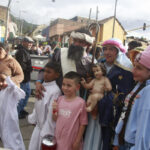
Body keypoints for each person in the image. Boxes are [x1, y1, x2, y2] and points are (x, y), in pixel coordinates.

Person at [35, 28, 95, 99]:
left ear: (87, 44)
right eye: (75, 40)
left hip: (78, 100)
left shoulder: (91, 62)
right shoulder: (60, 53)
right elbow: (46, 69)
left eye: (81, 42)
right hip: (56, 97)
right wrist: (38, 82)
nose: (76, 44)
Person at [98, 38, 135, 150]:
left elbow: (122, 96)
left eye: (111, 49)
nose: (107, 52)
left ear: (118, 51)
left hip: (111, 113)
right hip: (97, 109)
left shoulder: (125, 69)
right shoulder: (100, 64)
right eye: (105, 49)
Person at [113, 46, 150, 150]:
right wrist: (117, 140)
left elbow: (145, 132)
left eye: (139, 68)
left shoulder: (148, 91)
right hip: (126, 141)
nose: (133, 70)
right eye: (134, 66)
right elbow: (125, 113)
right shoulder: (139, 84)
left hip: (134, 145)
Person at [28, 61, 61, 150]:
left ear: (57, 75)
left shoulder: (55, 91)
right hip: (38, 127)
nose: (45, 74)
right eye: (45, 71)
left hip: (45, 130)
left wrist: (46, 132)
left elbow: (51, 113)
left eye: (49, 72)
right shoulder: (42, 85)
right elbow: (37, 104)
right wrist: (34, 118)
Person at [52, 71, 88, 150]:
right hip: (59, 139)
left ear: (77, 87)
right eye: (63, 84)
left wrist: (77, 141)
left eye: (69, 85)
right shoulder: (60, 99)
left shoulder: (81, 103)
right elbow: (54, 119)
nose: (65, 87)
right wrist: (54, 110)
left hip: (72, 141)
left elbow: (83, 124)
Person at [0, 42, 25, 150]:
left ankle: (11, 143)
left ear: (6, 51)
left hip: (8, 95)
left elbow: (21, 76)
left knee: (9, 119)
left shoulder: (11, 61)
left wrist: (8, 81)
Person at [15, 36, 33, 119]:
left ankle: (21, 110)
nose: (30, 44)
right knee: (22, 96)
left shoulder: (25, 51)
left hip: (26, 78)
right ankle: (17, 113)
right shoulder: (21, 52)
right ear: (23, 42)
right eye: (28, 42)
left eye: (31, 42)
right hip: (23, 78)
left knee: (27, 94)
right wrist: (30, 68)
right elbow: (22, 66)